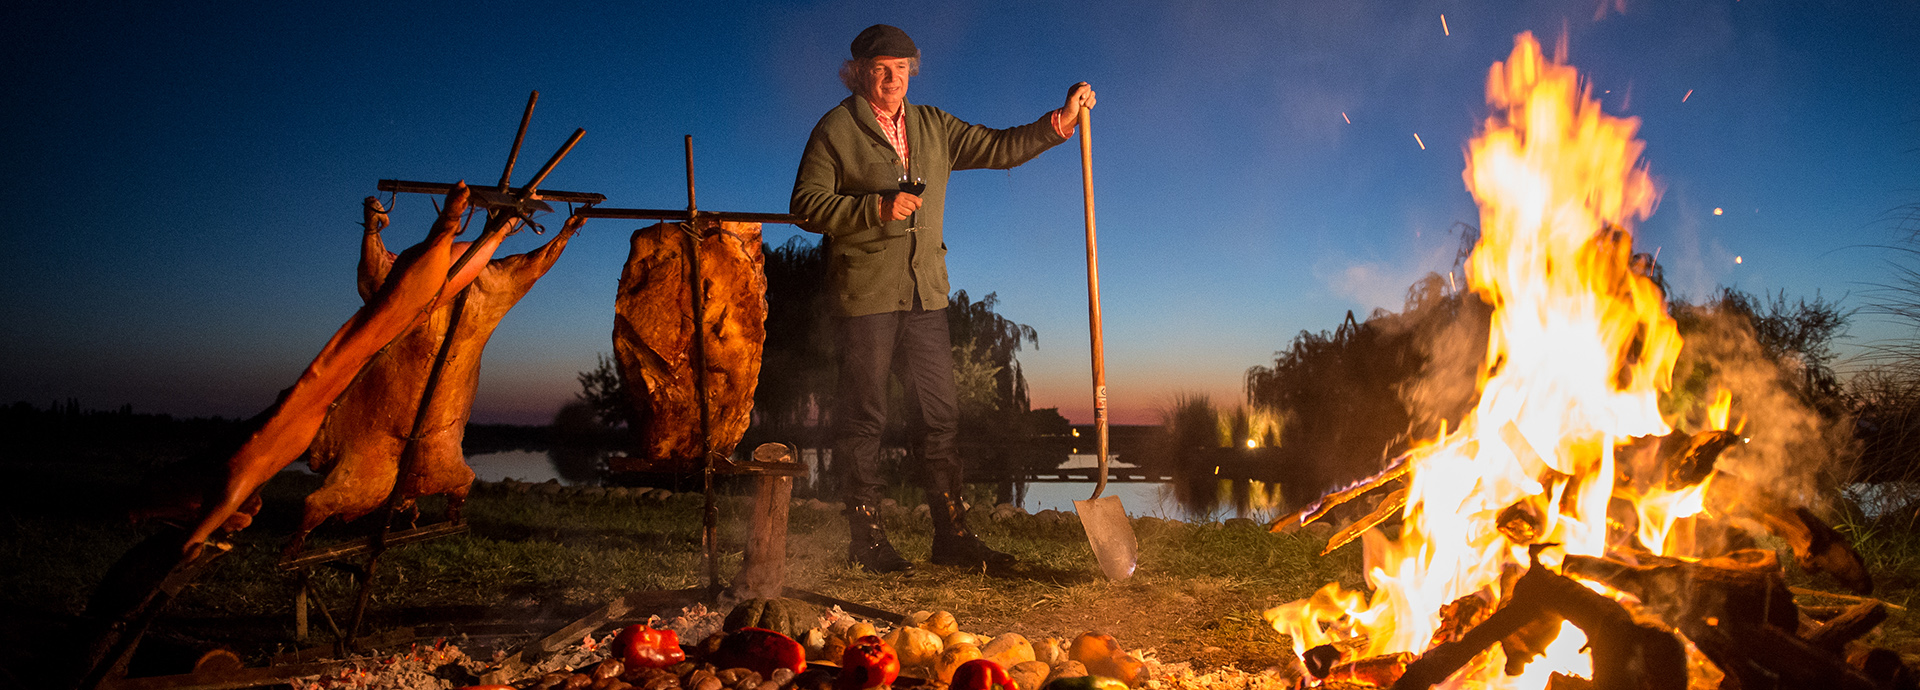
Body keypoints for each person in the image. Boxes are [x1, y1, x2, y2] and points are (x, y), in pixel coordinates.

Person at [791, 24, 1096, 572]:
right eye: (880, 69)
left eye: (900, 68)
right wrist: (875, 209)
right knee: (865, 418)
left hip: (925, 294)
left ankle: (952, 537)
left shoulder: (933, 125)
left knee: (939, 417)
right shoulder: (836, 128)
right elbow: (807, 206)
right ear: (858, 73)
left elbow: (999, 147)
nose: (891, 79)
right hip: (866, 295)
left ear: (911, 71)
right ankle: (867, 540)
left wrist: (1061, 120)